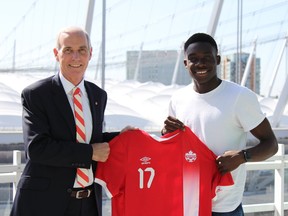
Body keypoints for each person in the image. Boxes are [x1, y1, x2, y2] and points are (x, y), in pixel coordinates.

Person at [10, 26, 132, 216]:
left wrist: (123, 138)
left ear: (90, 54)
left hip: (88, 204)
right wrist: (89, 153)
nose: (76, 57)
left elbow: (91, 138)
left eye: (82, 50)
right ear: (56, 54)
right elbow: (37, 148)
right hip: (44, 204)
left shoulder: (98, 95)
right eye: (68, 50)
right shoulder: (36, 94)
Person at [161, 33, 278, 215]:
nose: (200, 64)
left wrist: (242, 156)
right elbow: (171, 146)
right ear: (185, 64)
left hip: (224, 206)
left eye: (206, 58)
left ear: (217, 60)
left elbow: (271, 145)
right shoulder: (178, 99)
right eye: (193, 59)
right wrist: (165, 132)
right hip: (188, 201)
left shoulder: (239, 96)